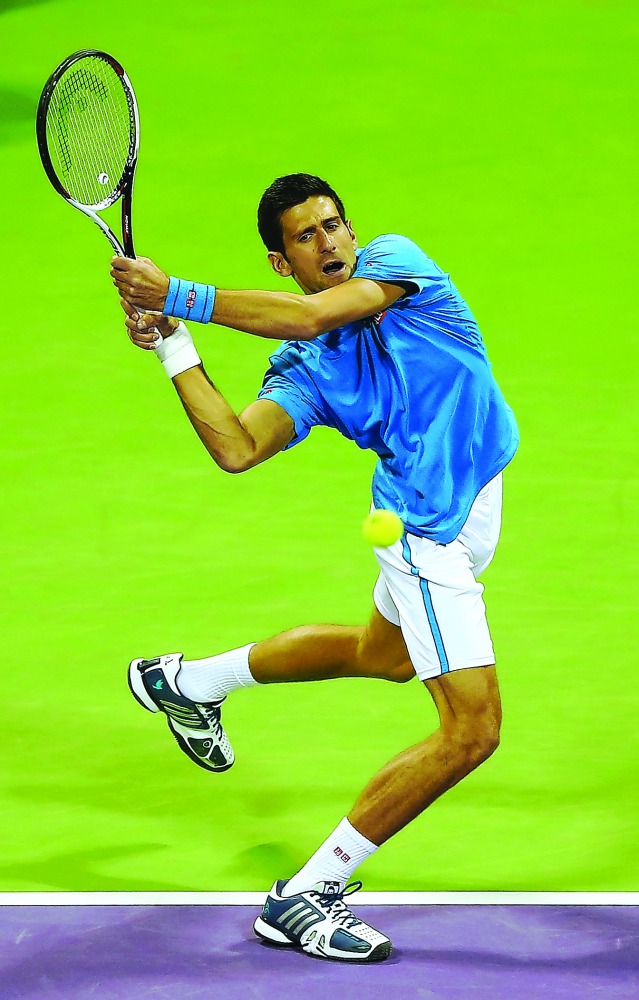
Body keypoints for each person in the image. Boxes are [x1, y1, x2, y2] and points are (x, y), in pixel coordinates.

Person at [111, 173, 519, 964]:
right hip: (425, 537)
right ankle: (306, 894)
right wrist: (173, 341)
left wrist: (180, 293)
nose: (328, 242)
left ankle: (189, 684)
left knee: (382, 656)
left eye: (333, 226)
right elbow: (235, 446)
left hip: (475, 505)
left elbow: (309, 315)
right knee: (471, 730)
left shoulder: (401, 265)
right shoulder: (307, 371)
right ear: (279, 259)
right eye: (306, 237)